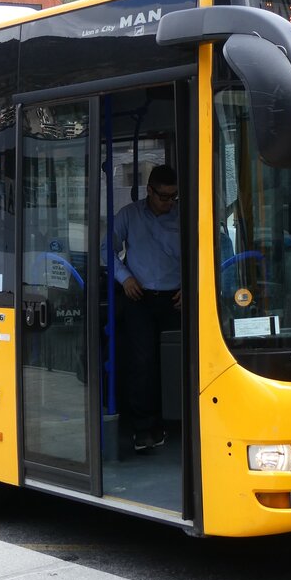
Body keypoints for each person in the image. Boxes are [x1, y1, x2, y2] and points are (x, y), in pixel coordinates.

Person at [107, 164, 181, 452]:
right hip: (140, 297)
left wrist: (190, 284)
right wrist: (124, 277)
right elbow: (106, 248)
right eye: (163, 197)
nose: (169, 203)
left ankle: (179, 420)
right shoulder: (129, 215)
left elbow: (208, 248)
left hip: (176, 298)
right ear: (149, 191)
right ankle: (144, 428)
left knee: (179, 362)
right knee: (143, 363)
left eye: (174, 197)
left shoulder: (184, 214)